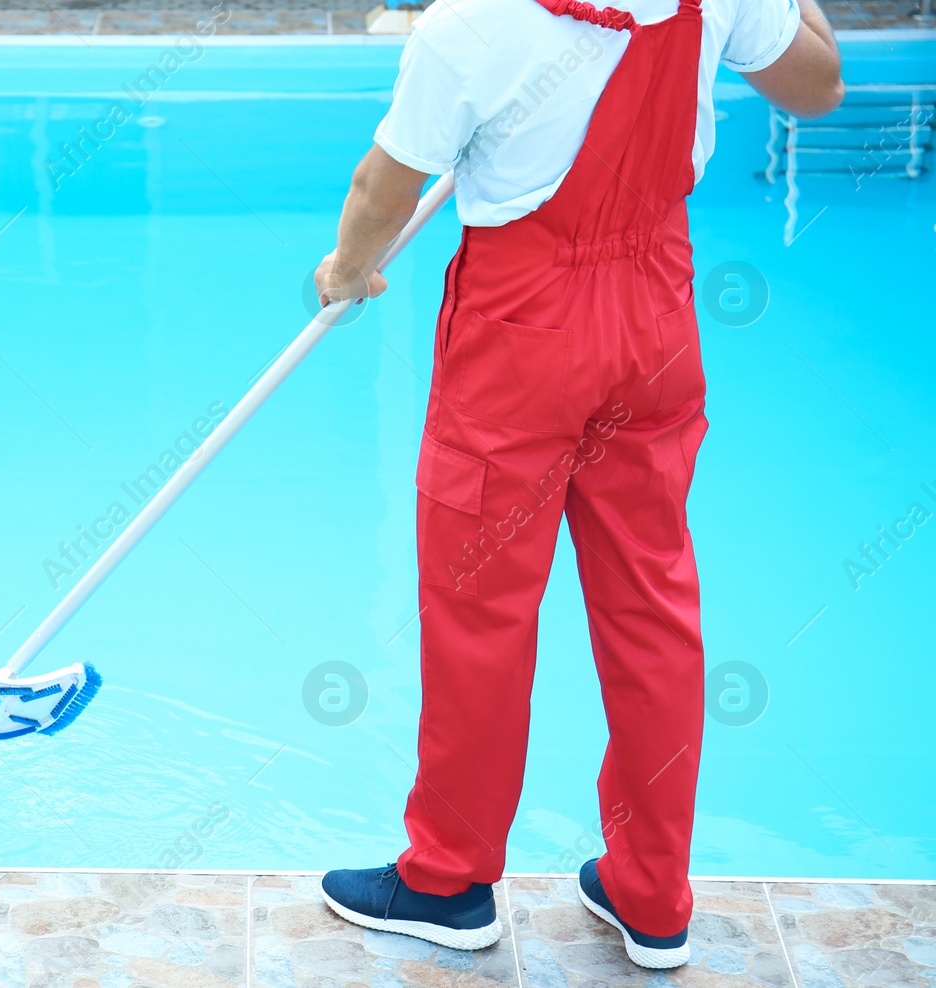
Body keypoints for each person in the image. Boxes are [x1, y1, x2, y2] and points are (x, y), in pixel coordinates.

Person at [313, 0, 842, 968]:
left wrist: (346, 268)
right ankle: (650, 894)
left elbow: (379, 189)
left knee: (480, 611)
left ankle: (448, 880)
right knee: (651, 606)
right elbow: (816, 86)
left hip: (520, 334)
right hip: (654, 319)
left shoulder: (466, 25)